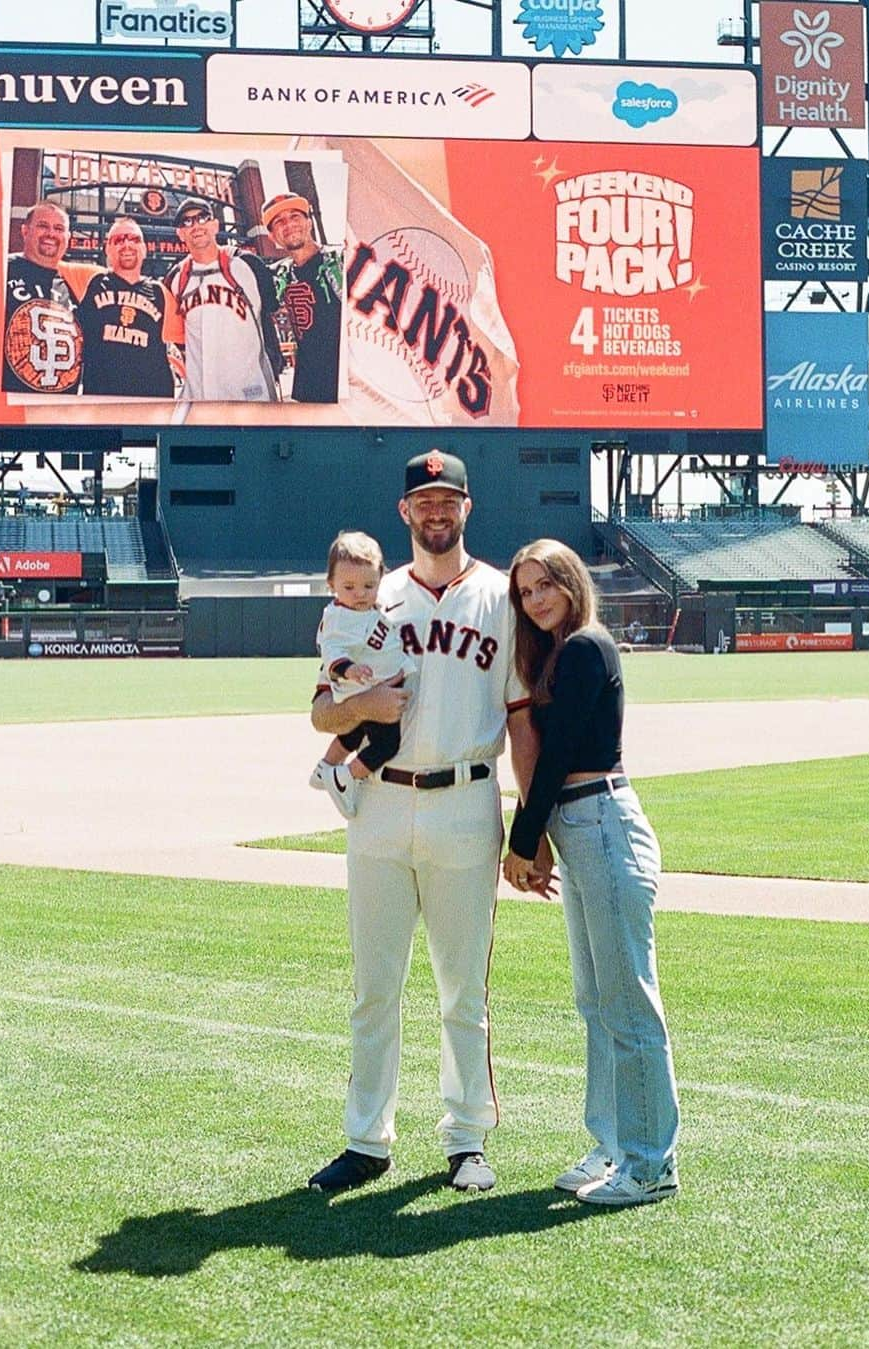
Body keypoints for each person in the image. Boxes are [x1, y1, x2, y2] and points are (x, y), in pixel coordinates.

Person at [307, 450, 542, 1197]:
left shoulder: (502, 597)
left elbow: (522, 718)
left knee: (462, 989)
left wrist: (528, 828)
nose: (437, 512)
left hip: (467, 803)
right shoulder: (375, 596)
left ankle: (466, 1136)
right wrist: (358, 712)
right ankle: (365, 1139)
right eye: (424, 501)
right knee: (374, 986)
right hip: (379, 807)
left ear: (467, 508)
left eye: (449, 500)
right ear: (405, 512)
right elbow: (321, 710)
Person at [502, 539, 680, 1208]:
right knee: (598, 1001)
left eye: (546, 583)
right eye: (525, 591)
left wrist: (522, 842)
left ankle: (650, 1161)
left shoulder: (584, 647)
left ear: (572, 584)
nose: (536, 598)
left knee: (629, 1004)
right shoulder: (556, 655)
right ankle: (613, 1145)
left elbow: (560, 758)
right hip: (580, 829)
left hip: (601, 821)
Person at [311, 530, 416, 821]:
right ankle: (345, 777)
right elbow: (331, 652)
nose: (360, 594)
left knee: (354, 732)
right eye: (349, 586)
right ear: (331, 584)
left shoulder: (370, 607)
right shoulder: (337, 617)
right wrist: (349, 669)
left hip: (375, 681)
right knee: (386, 743)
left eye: (369, 585)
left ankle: (326, 766)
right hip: (362, 687)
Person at [164, 197, 282, 402]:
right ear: (180, 234)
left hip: (252, 393)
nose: (196, 226)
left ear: (215, 224)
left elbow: (270, 312)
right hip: (200, 397)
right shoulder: (175, 278)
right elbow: (173, 333)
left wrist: (275, 364)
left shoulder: (248, 264)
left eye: (202, 218)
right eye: (187, 222)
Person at [76, 217, 182, 398]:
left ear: (144, 249)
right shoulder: (90, 281)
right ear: (107, 249)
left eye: (134, 239)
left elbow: (186, 339)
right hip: (102, 401)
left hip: (152, 401)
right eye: (118, 240)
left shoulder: (160, 292)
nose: (126, 244)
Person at [3, 201, 96, 395]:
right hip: (11, 408)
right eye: (43, 226)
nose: (51, 234)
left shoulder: (75, 282)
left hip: (60, 412)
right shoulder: (3, 269)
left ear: (68, 238)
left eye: (59, 228)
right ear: (25, 231)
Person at [261, 192, 343, 404]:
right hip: (309, 384)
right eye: (278, 221)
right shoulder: (280, 275)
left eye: (295, 216)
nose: (288, 224)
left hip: (346, 382)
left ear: (309, 223)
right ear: (272, 237)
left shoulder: (340, 261)